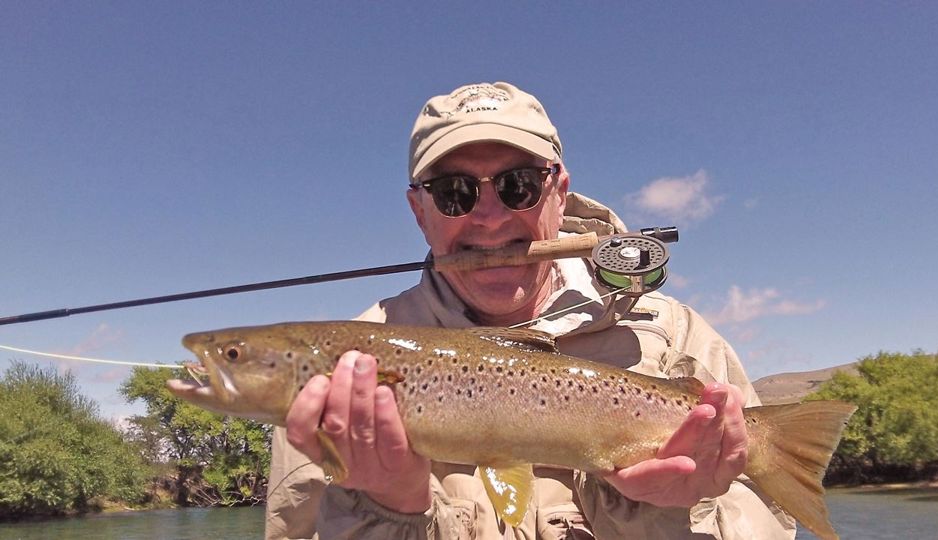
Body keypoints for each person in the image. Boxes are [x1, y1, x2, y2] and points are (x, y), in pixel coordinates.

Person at [266, 82, 796, 539]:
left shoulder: (677, 340)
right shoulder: (343, 373)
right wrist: (389, 510)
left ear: (559, 193)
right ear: (419, 211)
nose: (490, 218)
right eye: (455, 193)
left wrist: (663, 514)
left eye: (519, 184)